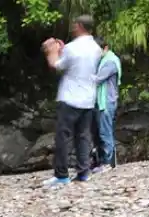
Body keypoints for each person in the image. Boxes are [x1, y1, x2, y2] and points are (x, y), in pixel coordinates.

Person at [41, 15, 103, 187]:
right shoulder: (96, 48)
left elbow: (57, 65)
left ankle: (61, 175)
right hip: (88, 98)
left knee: (63, 136)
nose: (72, 27)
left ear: (80, 26)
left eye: (74, 24)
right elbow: (76, 63)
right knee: (83, 136)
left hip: (69, 98)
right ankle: (83, 172)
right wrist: (63, 49)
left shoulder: (72, 47)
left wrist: (51, 51)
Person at [92, 37, 121, 172]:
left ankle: (109, 162)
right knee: (101, 132)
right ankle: (105, 161)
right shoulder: (103, 60)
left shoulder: (110, 61)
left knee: (105, 132)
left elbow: (97, 79)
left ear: (105, 48)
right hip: (103, 101)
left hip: (107, 101)